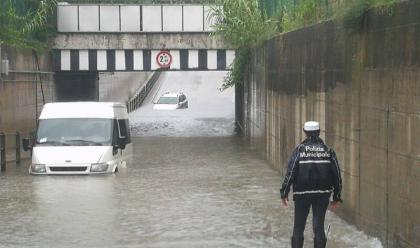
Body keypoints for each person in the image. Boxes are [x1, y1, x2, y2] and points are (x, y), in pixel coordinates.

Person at [280, 121, 343, 248]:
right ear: (319, 132)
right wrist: (337, 196)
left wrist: (284, 192)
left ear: (305, 132)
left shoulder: (299, 150)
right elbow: (337, 175)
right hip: (322, 194)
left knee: (298, 226)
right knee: (318, 226)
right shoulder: (328, 150)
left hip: (302, 194)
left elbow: (290, 171)